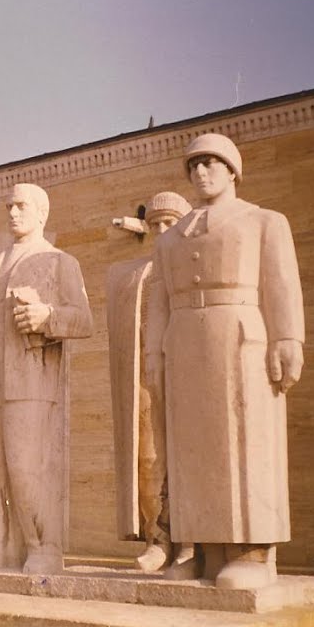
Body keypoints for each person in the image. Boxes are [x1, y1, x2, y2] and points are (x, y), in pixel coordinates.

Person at [146, 133, 304, 589]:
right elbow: (158, 302)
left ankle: (253, 553)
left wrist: (289, 337)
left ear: (233, 170)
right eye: (193, 165)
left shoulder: (263, 221)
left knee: (245, 443)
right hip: (183, 343)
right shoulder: (170, 238)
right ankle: (201, 552)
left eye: (211, 163)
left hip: (240, 339)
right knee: (192, 446)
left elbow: (281, 283)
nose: (201, 172)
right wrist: (154, 354)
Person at [0, 183, 94, 575]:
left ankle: (42, 547)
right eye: (9, 206)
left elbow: (84, 319)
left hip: (30, 381)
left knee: (25, 467)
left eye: (21, 206)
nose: (13, 213)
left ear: (41, 212)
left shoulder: (58, 262)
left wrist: (46, 316)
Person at [106, 192, 194, 572]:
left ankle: (191, 540)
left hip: (187, 373)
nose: (160, 230)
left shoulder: (191, 266)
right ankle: (158, 538)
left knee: (189, 454)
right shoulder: (136, 273)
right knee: (148, 459)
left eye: (169, 223)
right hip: (145, 378)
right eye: (155, 224)